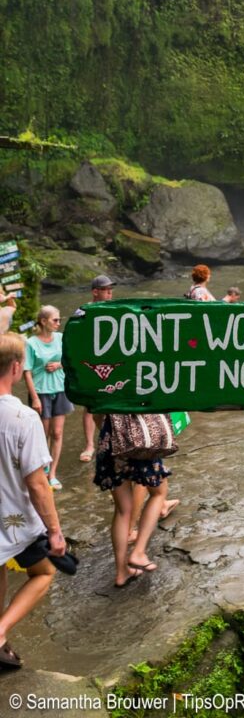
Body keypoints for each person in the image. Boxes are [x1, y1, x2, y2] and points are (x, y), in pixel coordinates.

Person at [0, 332, 66, 667]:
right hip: (12, 518)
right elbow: (38, 483)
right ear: (16, 368)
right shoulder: (22, 418)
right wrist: (54, 531)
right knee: (44, 572)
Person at [94, 415, 170, 587]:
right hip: (141, 435)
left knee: (123, 510)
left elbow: (95, 415)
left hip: (111, 436)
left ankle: (121, 572)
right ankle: (139, 552)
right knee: (158, 493)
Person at [23, 306, 74, 490]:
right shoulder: (31, 343)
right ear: (43, 321)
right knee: (42, 435)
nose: (59, 323)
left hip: (60, 389)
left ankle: (52, 473)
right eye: (55, 320)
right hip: (41, 392)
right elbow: (26, 372)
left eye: (59, 320)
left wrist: (59, 365)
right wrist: (34, 398)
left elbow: (71, 359)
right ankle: (41, 470)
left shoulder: (61, 338)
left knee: (57, 433)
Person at [78, 275, 116, 463]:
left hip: (111, 363)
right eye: (105, 290)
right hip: (90, 363)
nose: (110, 293)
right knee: (90, 405)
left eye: (110, 289)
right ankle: (89, 445)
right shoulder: (82, 311)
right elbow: (75, 338)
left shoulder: (116, 310)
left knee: (112, 400)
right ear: (95, 292)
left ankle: (111, 438)